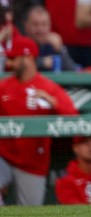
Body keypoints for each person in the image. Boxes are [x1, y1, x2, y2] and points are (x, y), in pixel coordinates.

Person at [0, 36, 78, 205]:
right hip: (4, 156)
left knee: (31, 211)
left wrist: (53, 102)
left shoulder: (48, 87)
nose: (10, 63)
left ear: (28, 58)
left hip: (33, 162)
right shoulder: (4, 86)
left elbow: (73, 117)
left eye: (14, 58)